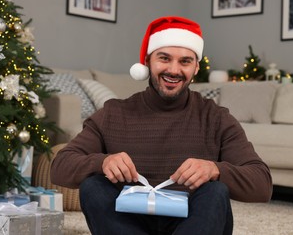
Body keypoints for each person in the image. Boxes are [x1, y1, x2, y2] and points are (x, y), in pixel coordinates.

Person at [50, 16, 272, 235]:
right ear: (147, 62)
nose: (174, 70)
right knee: (93, 187)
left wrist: (215, 169)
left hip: (193, 221)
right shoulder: (113, 113)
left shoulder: (215, 117)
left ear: (196, 68)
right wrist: (103, 161)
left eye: (185, 61)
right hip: (128, 221)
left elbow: (262, 184)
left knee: (216, 191)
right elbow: (60, 167)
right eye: (164, 58)